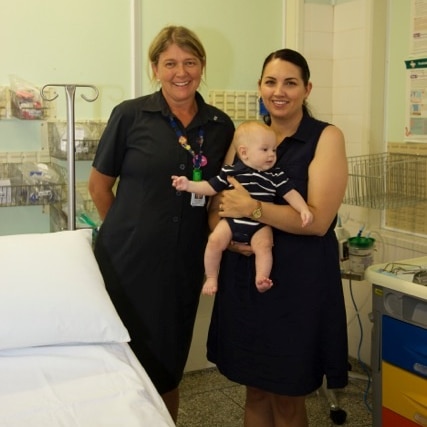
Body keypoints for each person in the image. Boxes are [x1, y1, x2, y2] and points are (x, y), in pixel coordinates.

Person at [88, 25, 234, 423]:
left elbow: (217, 196)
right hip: (125, 265)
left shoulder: (220, 126)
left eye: (189, 62)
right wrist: (130, 233)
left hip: (181, 266)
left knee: (168, 367)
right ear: (155, 68)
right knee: (120, 360)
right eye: (170, 63)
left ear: (202, 66)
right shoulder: (131, 115)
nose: (180, 72)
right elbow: (100, 186)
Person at [206, 48, 349, 427]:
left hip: (298, 284)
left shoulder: (324, 138)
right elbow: (219, 198)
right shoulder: (246, 136)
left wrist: (252, 210)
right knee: (253, 390)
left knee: (288, 396)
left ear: (307, 89)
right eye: (271, 81)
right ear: (260, 87)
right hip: (247, 280)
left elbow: (317, 222)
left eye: (290, 82)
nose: (279, 91)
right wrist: (225, 236)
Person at [171, 120, 313, 296]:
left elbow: (290, 194)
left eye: (274, 150)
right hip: (231, 222)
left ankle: (261, 278)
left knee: (265, 246)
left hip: (260, 223)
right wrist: (189, 185)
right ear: (244, 153)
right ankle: (211, 277)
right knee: (214, 241)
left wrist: (303, 209)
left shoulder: (276, 175)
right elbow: (210, 187)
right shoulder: (230, 172)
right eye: (265, 149)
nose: (271, 155)